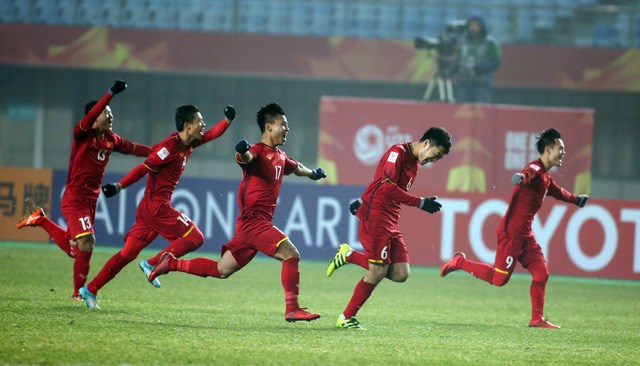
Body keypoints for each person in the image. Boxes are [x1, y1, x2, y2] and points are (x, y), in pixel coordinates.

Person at [147, 102, 326, 322]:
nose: (287, 129)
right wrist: (242, 151)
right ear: (268, 127)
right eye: (283, 124)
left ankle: (171, 263)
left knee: (222, 270)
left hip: (249, 227)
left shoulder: (280, 156)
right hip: (254, 223)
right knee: (291, 255)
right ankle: (292, 308)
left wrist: (313, 174)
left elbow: (296, 167)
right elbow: (245, 158)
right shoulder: (257, 151)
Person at [78, 104, 236, 308]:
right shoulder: (167, 148)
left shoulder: (189, 143)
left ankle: (90, 289)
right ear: (188, 126)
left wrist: (227, 121)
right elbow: (142, 168)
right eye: (200, 121)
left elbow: (212, 134)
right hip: (157, 207)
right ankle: (152, 263)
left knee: (127, 254)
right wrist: (119, 186)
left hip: (149, 209)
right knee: (196, 237)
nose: (203, 125)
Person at [440, 128, 589, 329]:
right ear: (547, 150)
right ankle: (460, 262)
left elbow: (558, 192)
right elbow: (528, 173)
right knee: (498, 279)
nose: (564, 151)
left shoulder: (545, 176)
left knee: (541, 274)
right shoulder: (535, 169)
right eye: (560, 148)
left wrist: (576, 199)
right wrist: (521, 177)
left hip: (526, 236)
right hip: (511, 234)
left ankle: (537, 319)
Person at [16, 80, 151, 301]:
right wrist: (110, 94)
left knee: (76, 251)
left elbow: (135, 149)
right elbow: (90, 119)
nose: (110, 116)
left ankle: (40, 220)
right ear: (93, 116)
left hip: (91, 200)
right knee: (87, 242)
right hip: (74, 197)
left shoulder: (111, 139)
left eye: (110, 112)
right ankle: (78, 294)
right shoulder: (82, 134)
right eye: (105, 113)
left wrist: (160, 152)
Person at [326, 127, 452, 329]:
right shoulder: (397, 153)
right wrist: (420, 203)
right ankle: (345, 317)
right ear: (427, 143)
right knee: (377, 271)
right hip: (376, 217)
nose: (433, 161)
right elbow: (385, 186)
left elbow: (379, 181)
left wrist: (361, 198)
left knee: (401, 273)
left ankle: (349, 255)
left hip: (391, 220)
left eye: (438, 159)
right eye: (435, 155)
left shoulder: (415, 164)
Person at [453, 16, 501, 103]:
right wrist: (451, 69)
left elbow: (495, 61)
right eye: (471, 25)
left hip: (481, 84)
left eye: (475, 25)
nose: (472, 28)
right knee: (461, 113)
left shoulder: (491, 43)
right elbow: (458, 61)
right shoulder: (462, 42)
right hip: (464, 83)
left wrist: (482, 67)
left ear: (482, 27)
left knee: (481, 112)